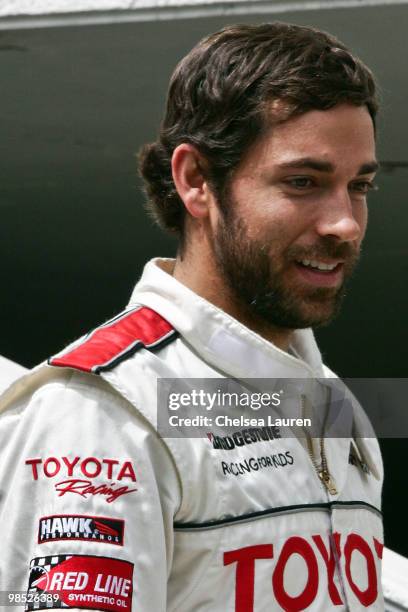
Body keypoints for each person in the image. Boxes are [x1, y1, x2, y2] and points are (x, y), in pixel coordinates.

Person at [0, 22, 384, 611]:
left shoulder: (334, 402)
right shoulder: (102, 411)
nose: (345, 223)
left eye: (358, 186)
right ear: (195, 180)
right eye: (303, 182)